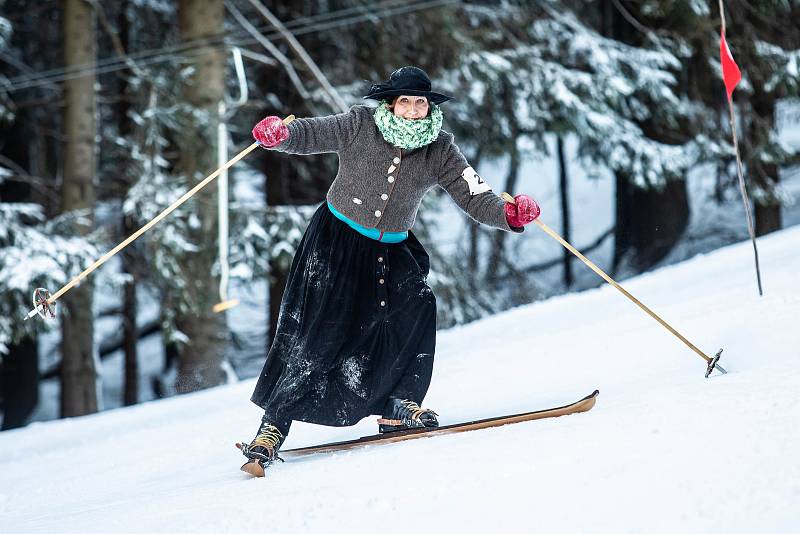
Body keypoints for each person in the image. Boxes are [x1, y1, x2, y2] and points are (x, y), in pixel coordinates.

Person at [239, 66, 541, 475]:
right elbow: (312, 133)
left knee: (414, 310)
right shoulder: (359, 125)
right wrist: (283, 134)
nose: (415, 110)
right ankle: (272, 426)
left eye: (422, 103)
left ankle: (399, 404)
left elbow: (476, 195)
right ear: (391, 104)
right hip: (337, 244)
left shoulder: (441, 149)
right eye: (406, 102)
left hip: (393, 249)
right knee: (317, 331)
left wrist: (509, 213)